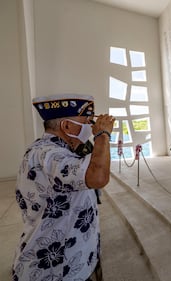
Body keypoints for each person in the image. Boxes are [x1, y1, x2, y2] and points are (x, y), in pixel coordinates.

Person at [12, 94, 115, 281]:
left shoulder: (55, 150)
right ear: (67, 126)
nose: (92, 128)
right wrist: (102, 135)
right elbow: (97, 177)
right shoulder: (49, 154)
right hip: (57, 270)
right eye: (87, 122)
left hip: (71, 259)